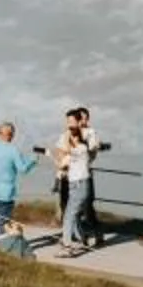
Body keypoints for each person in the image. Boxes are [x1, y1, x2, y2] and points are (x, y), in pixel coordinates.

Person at [0, 121, 44, 245]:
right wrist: (33, 160)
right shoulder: (13, 150)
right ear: (12, 135)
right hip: (5, 192)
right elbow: (23, 169)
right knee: (3, 221)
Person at [54, 108, 107, 253]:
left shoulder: (90, 134)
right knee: (69, 209)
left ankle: (97, 234)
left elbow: (90, 151)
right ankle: (78, 238)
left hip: (83, 174)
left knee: (86, 209)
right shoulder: (67, 134)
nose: (82, 121)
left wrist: (73, 152)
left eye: (84, 118)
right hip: (68, 175)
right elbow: (59, 150)